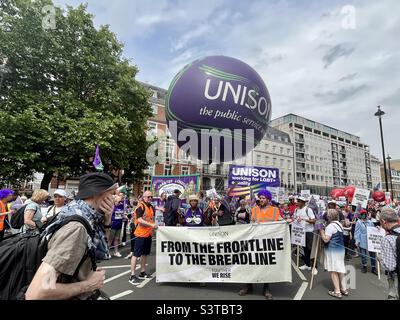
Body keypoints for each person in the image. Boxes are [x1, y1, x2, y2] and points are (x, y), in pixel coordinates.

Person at [25, 172, 118, 299]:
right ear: (98, 193)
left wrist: (107, 220)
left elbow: (99, 252)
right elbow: (38, 292)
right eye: (112, 193)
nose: (115, 198)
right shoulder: (76, 228)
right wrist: (89, 284)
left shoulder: (83, 213)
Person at [238, 189, 282, 300]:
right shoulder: (254, 209)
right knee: (251, 264)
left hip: (268, 242)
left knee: (266, 265)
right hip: (255, 241)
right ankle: (249, 286)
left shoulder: (275, 210)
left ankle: (266, 288)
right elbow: (251, 223)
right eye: (260, 198)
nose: (261, 200)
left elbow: (281, 221)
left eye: (263, 198)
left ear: (268, 199)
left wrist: (287, 221)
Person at [129, 191, 157, 285]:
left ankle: (142, 272)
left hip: (148, 234)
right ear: (144, 197)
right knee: (136, 254)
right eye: (148, 197)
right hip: (140, 234)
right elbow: (140, 220)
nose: (150, 198)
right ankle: (132, 275)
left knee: (145, 254)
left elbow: (151, 218)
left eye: (151, 197)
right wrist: (151, 224)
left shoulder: (151, 206)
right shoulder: (140, 206)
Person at [319, 209, 348, 299]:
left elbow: (326, 239)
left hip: (333, 251)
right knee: (340, 269)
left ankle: (337, 291)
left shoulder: (330, 226)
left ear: (329, 217)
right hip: (341, 249)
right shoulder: (339, 224)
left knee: (333, 271)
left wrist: (321, 231)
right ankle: (344, 289)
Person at [380, 207, 400, 299]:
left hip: (396, 280)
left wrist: (380, 258)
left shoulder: (387, 239)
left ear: (384, 221)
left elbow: (390, 266)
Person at [294, 196, 316, 272]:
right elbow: (294, 218)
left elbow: (313, 220)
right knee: (304, 249)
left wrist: (304, 219)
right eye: (297, 201)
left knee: (310, 249)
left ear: (303, 202)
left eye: (299, 201)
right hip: (301, 232)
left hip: (309, 231)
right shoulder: (296, 209)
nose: (297, 202)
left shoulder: (308, 209)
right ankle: (307, 265)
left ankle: (312, 266)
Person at [354, 209, 377, 275]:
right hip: (362, 241)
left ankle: (373, 268)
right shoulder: (358, 222)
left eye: (365, 214)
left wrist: (377, 228)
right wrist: (357, 240)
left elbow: (374, 230)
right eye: (362, 214)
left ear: (366, 214)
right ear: (360, 215)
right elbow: (357, 232)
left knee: (372, 255)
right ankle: (364, 266)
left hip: (370, 241)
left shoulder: (370, 222)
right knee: (363, 255)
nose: (364, 215)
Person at [108, 192, 126, 257]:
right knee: (110, 239)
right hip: (113, 225)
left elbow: (122, 214)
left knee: (117, 239)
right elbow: (109, 215)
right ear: (115, 201)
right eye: (119, 201)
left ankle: (116, 252)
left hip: (119, 224)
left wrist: (124, 216)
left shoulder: (121, 206)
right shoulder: (112, 207)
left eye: (121, 201)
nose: (120, 202)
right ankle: (107, 252)